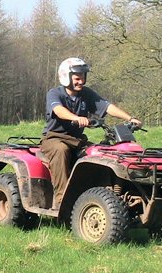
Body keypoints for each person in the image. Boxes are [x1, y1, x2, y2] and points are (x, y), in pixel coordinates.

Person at [40, 57, 142, 209]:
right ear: (65, 77)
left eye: (83, 77)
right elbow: (58, 110)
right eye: (77, 78)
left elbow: (107, 107)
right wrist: (76, 118)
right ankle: (61, 201)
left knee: (100, 153)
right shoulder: (55, 93)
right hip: (54, 137)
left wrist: (130, 118)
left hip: (77, 140)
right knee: (61, 150)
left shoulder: (86, 94)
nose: (81, 81)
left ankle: (97, 196)